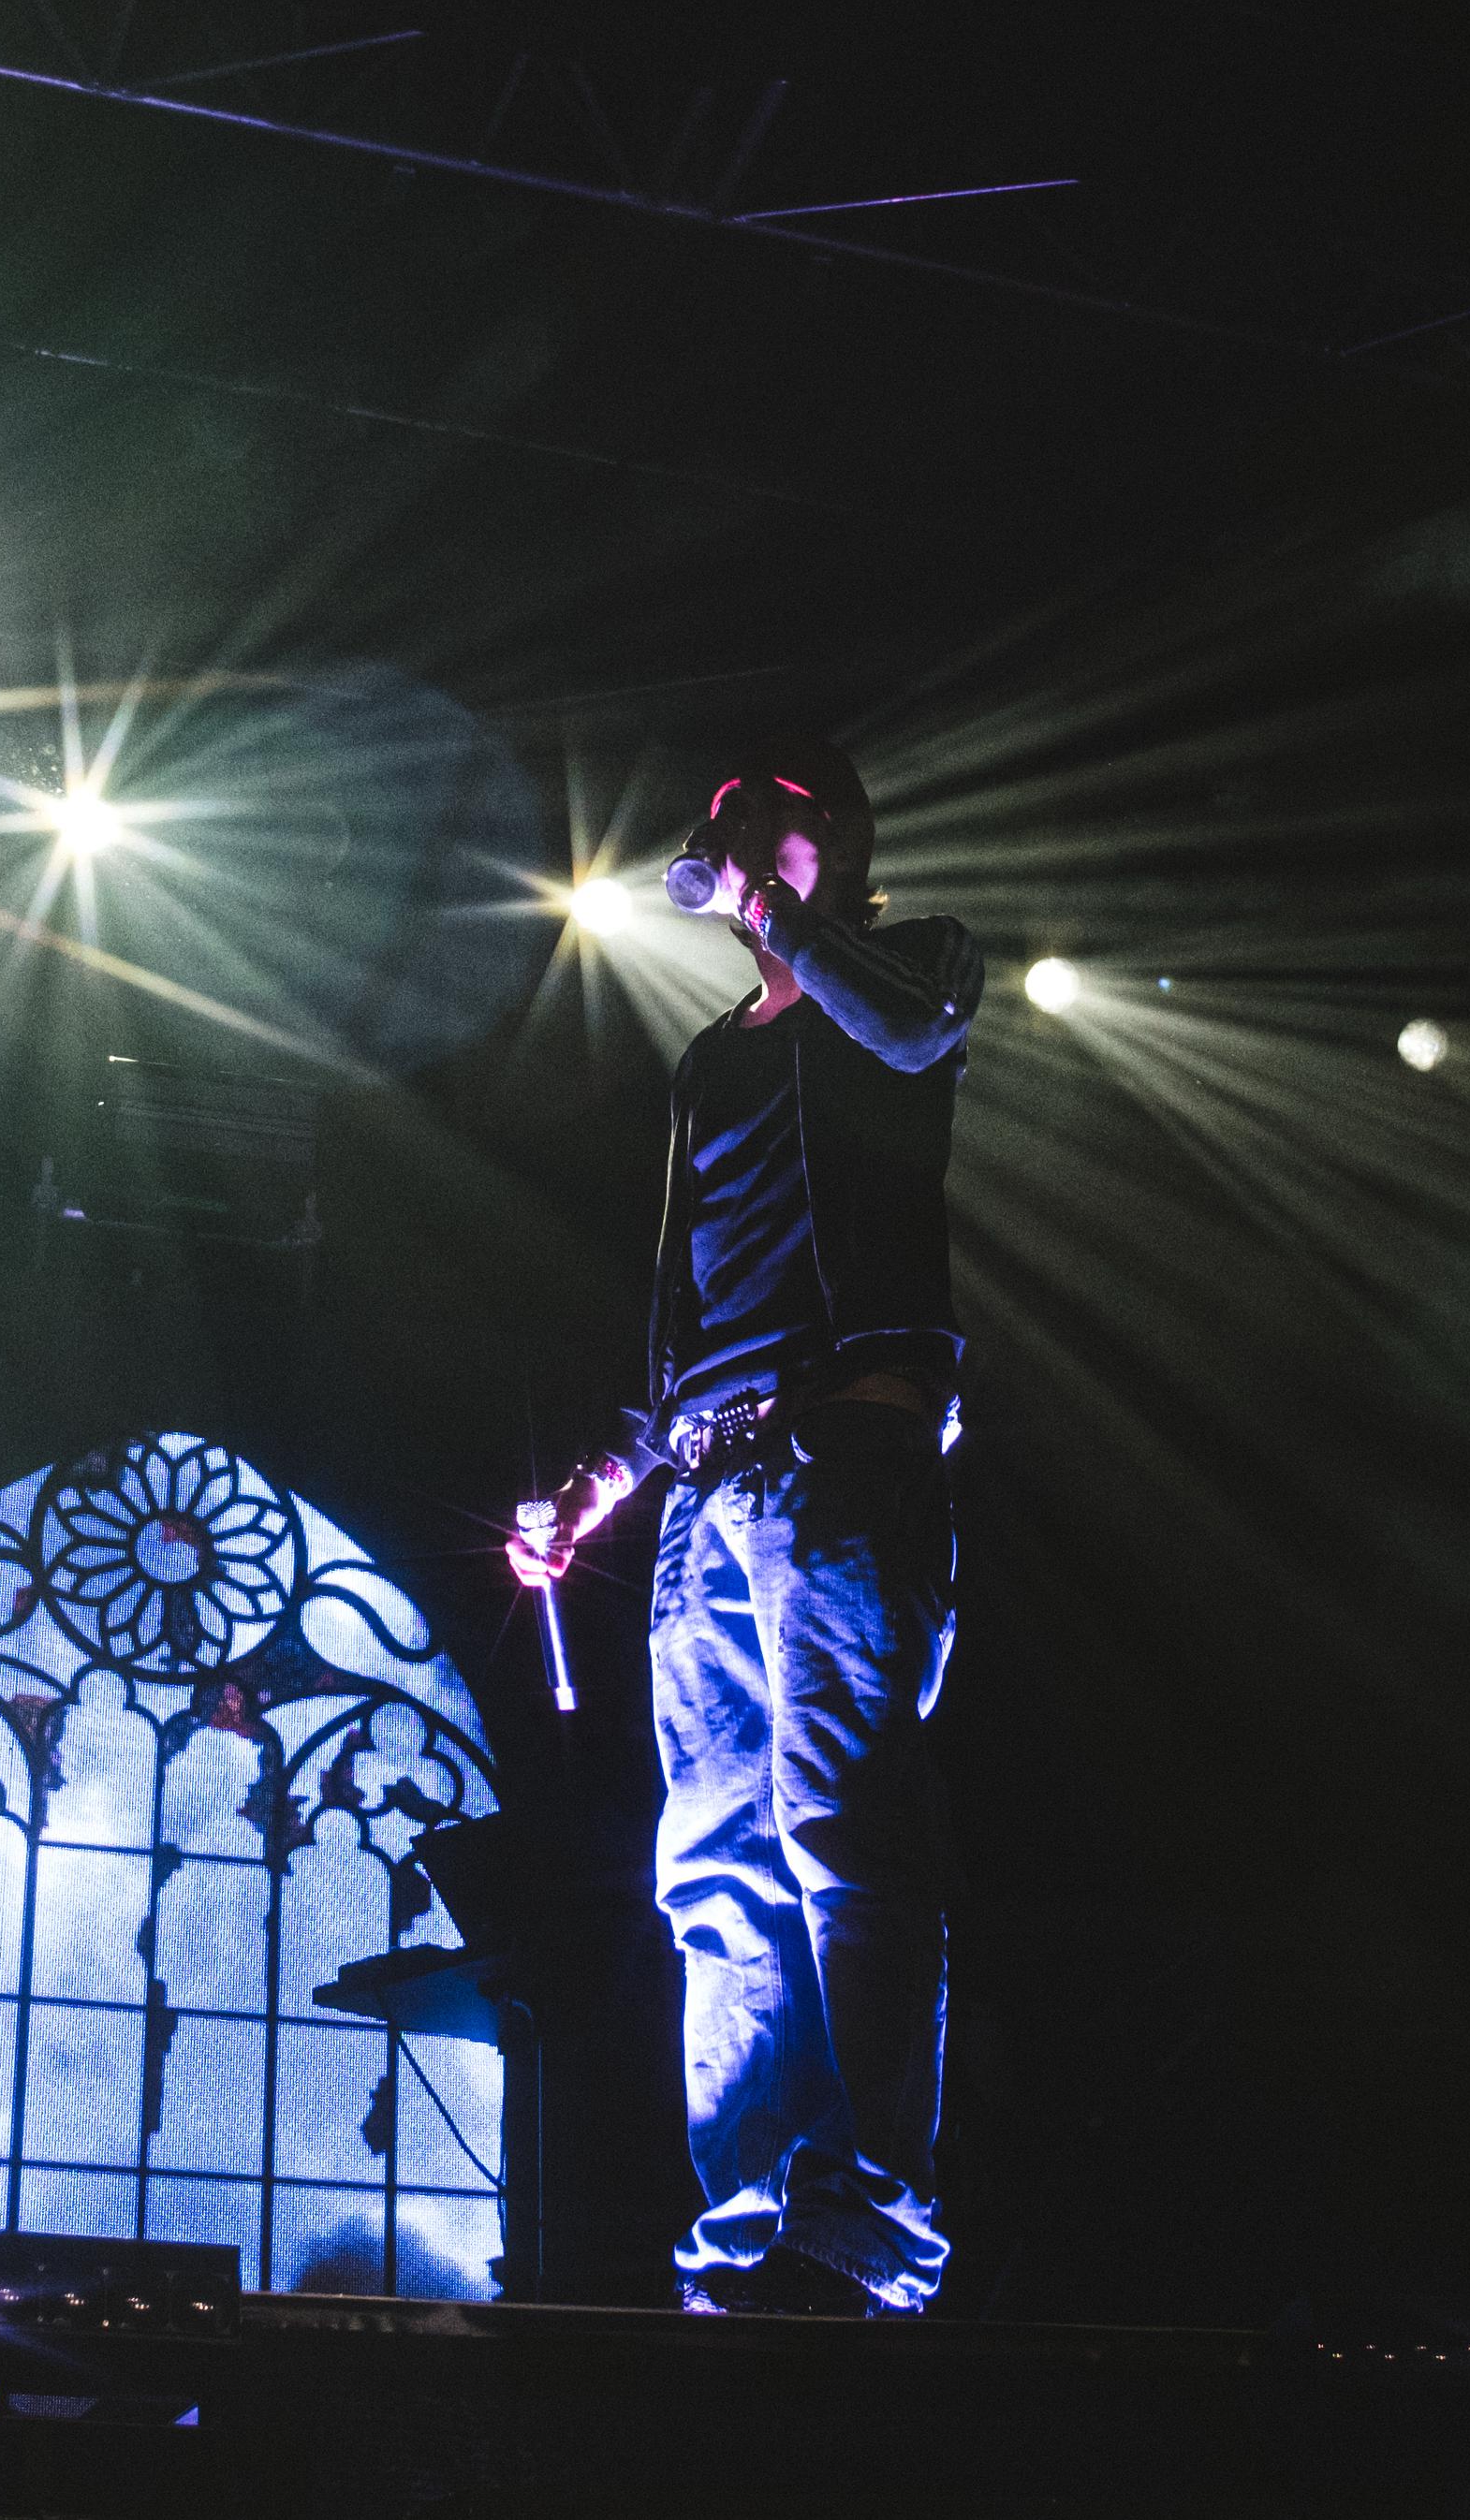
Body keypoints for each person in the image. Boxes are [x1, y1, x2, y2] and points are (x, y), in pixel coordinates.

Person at [513, 745, 982, 2318]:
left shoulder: (907, 972)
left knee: (842, 1828)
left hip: (846, 1448)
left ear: (835, 838)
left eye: (763, 829)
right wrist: (598, 1491)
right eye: (715, 838)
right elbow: (683, 1311)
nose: (726, 854)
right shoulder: (711, 1061)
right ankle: (750, 2222)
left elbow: (911, 1028)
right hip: (711, 1488)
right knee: (714, 1864)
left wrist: (791, 923)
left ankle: (875, 2222)